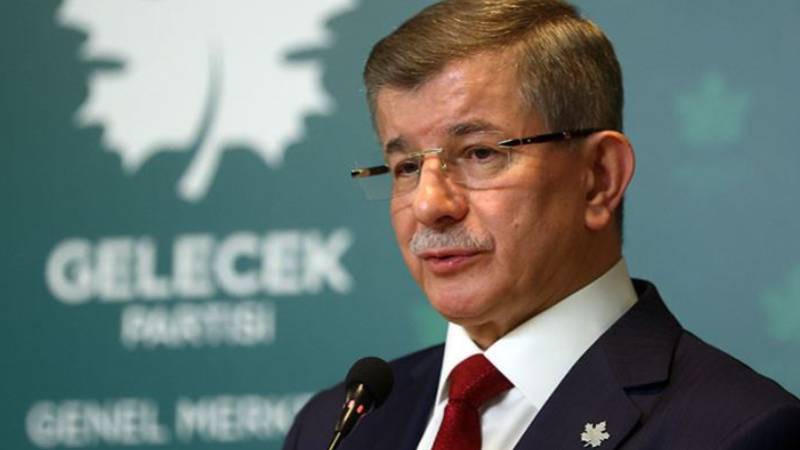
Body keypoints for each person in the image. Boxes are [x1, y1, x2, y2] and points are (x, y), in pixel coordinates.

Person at [283, 0, 800, 448]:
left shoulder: (739, 431)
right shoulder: (334, 426)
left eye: (480, 153)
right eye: (407, 167)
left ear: (599, 178)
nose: (428, 204)